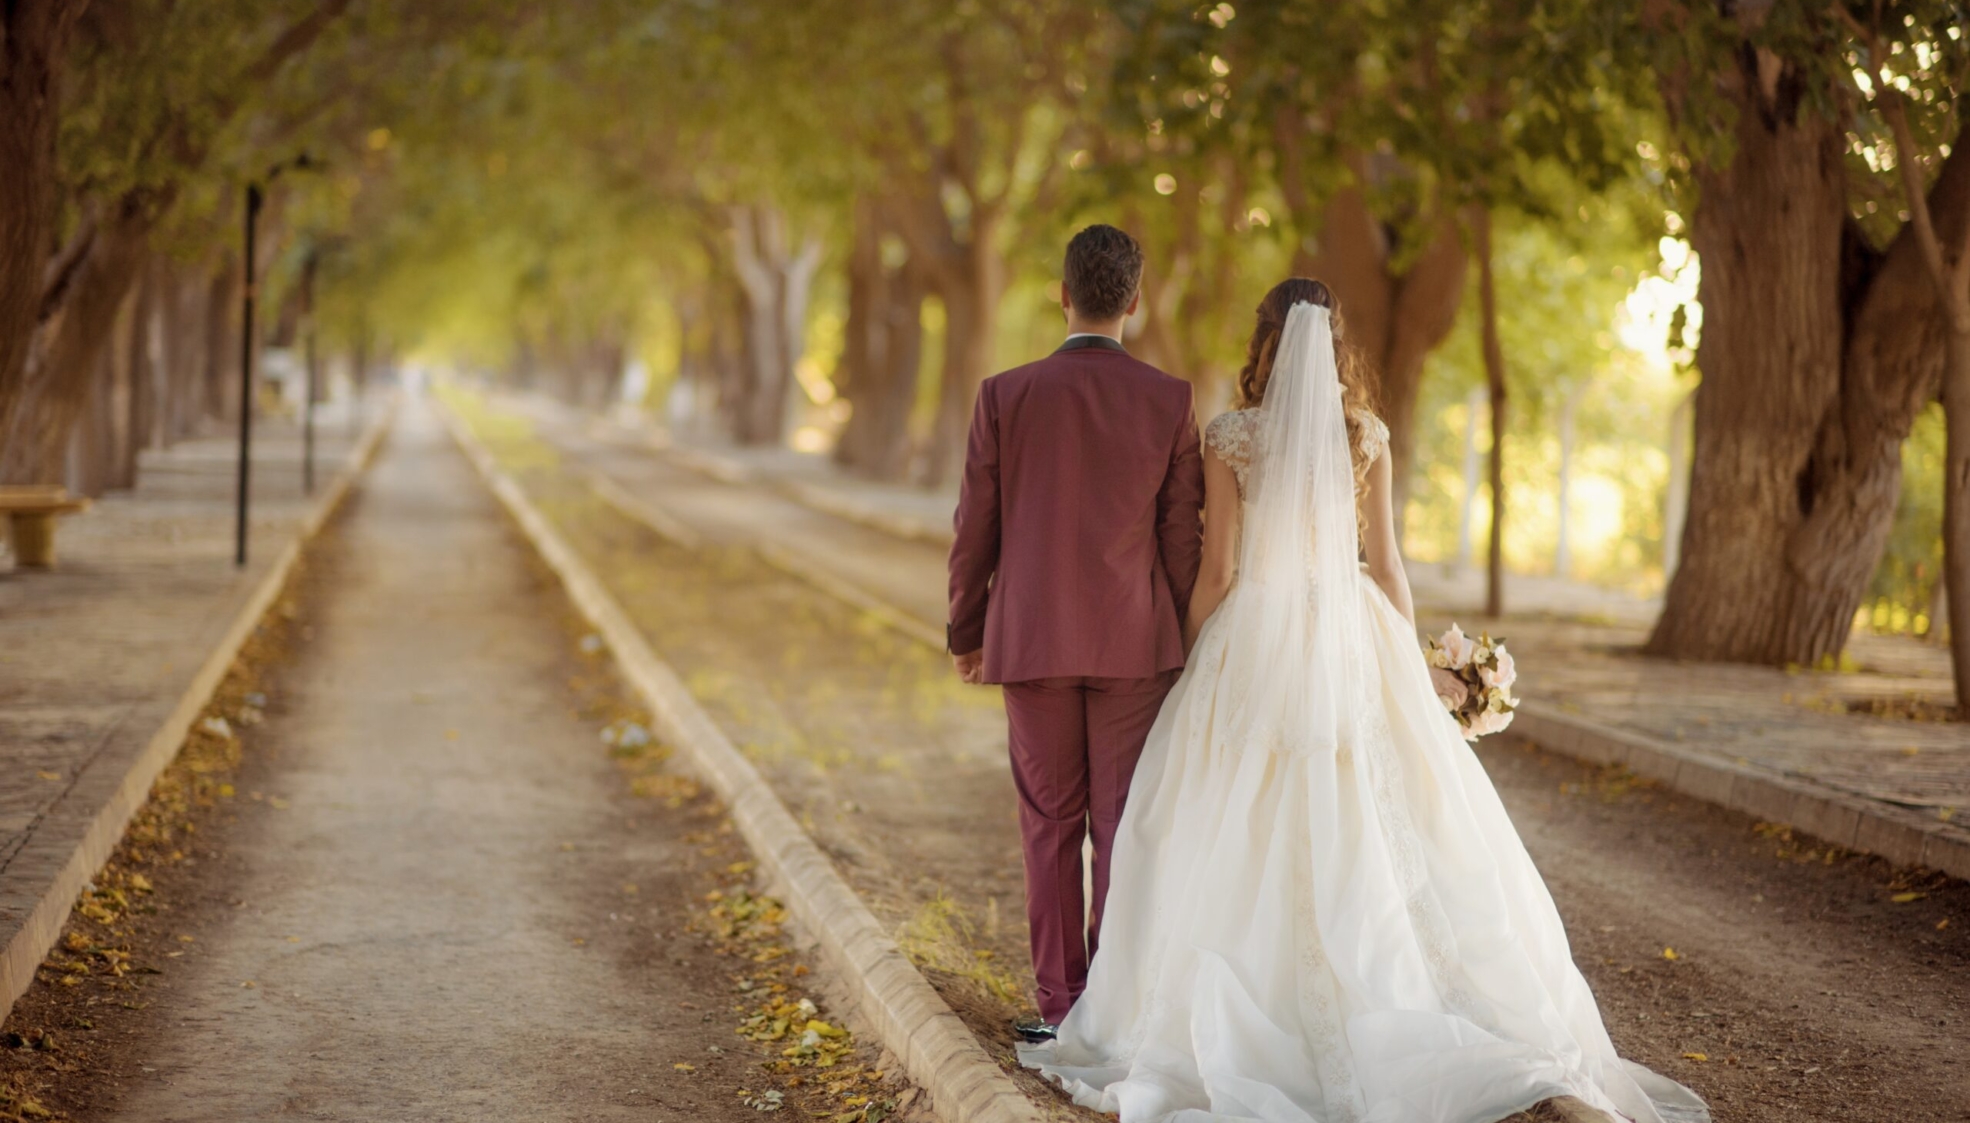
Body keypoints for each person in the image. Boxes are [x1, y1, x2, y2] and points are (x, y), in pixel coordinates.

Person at [1013, 278, 1712, 1123]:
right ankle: (1462, 1028)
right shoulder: (1366, 437)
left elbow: (1222, 569)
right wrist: (1414, 675)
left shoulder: (1231, 437)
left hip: (1255, 637)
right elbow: (1386, 564)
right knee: (1382, 821)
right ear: (1335, 345)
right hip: (1350, 633)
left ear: (1265, 342)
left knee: (1230, 819)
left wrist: (1191, 655)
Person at [947, 224, 1205, 1034]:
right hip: (1136, 647)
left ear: (1063, 295)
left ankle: (1060, 1009)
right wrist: (1190, 641)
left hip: (1030, 639)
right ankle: (1115, 1010)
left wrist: (966, 630)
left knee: (1049, 825)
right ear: (1135, 300)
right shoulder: (1170, 400)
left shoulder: (1004, 394)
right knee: (1123, 825)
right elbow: (1180, 539)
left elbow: (974, 526)